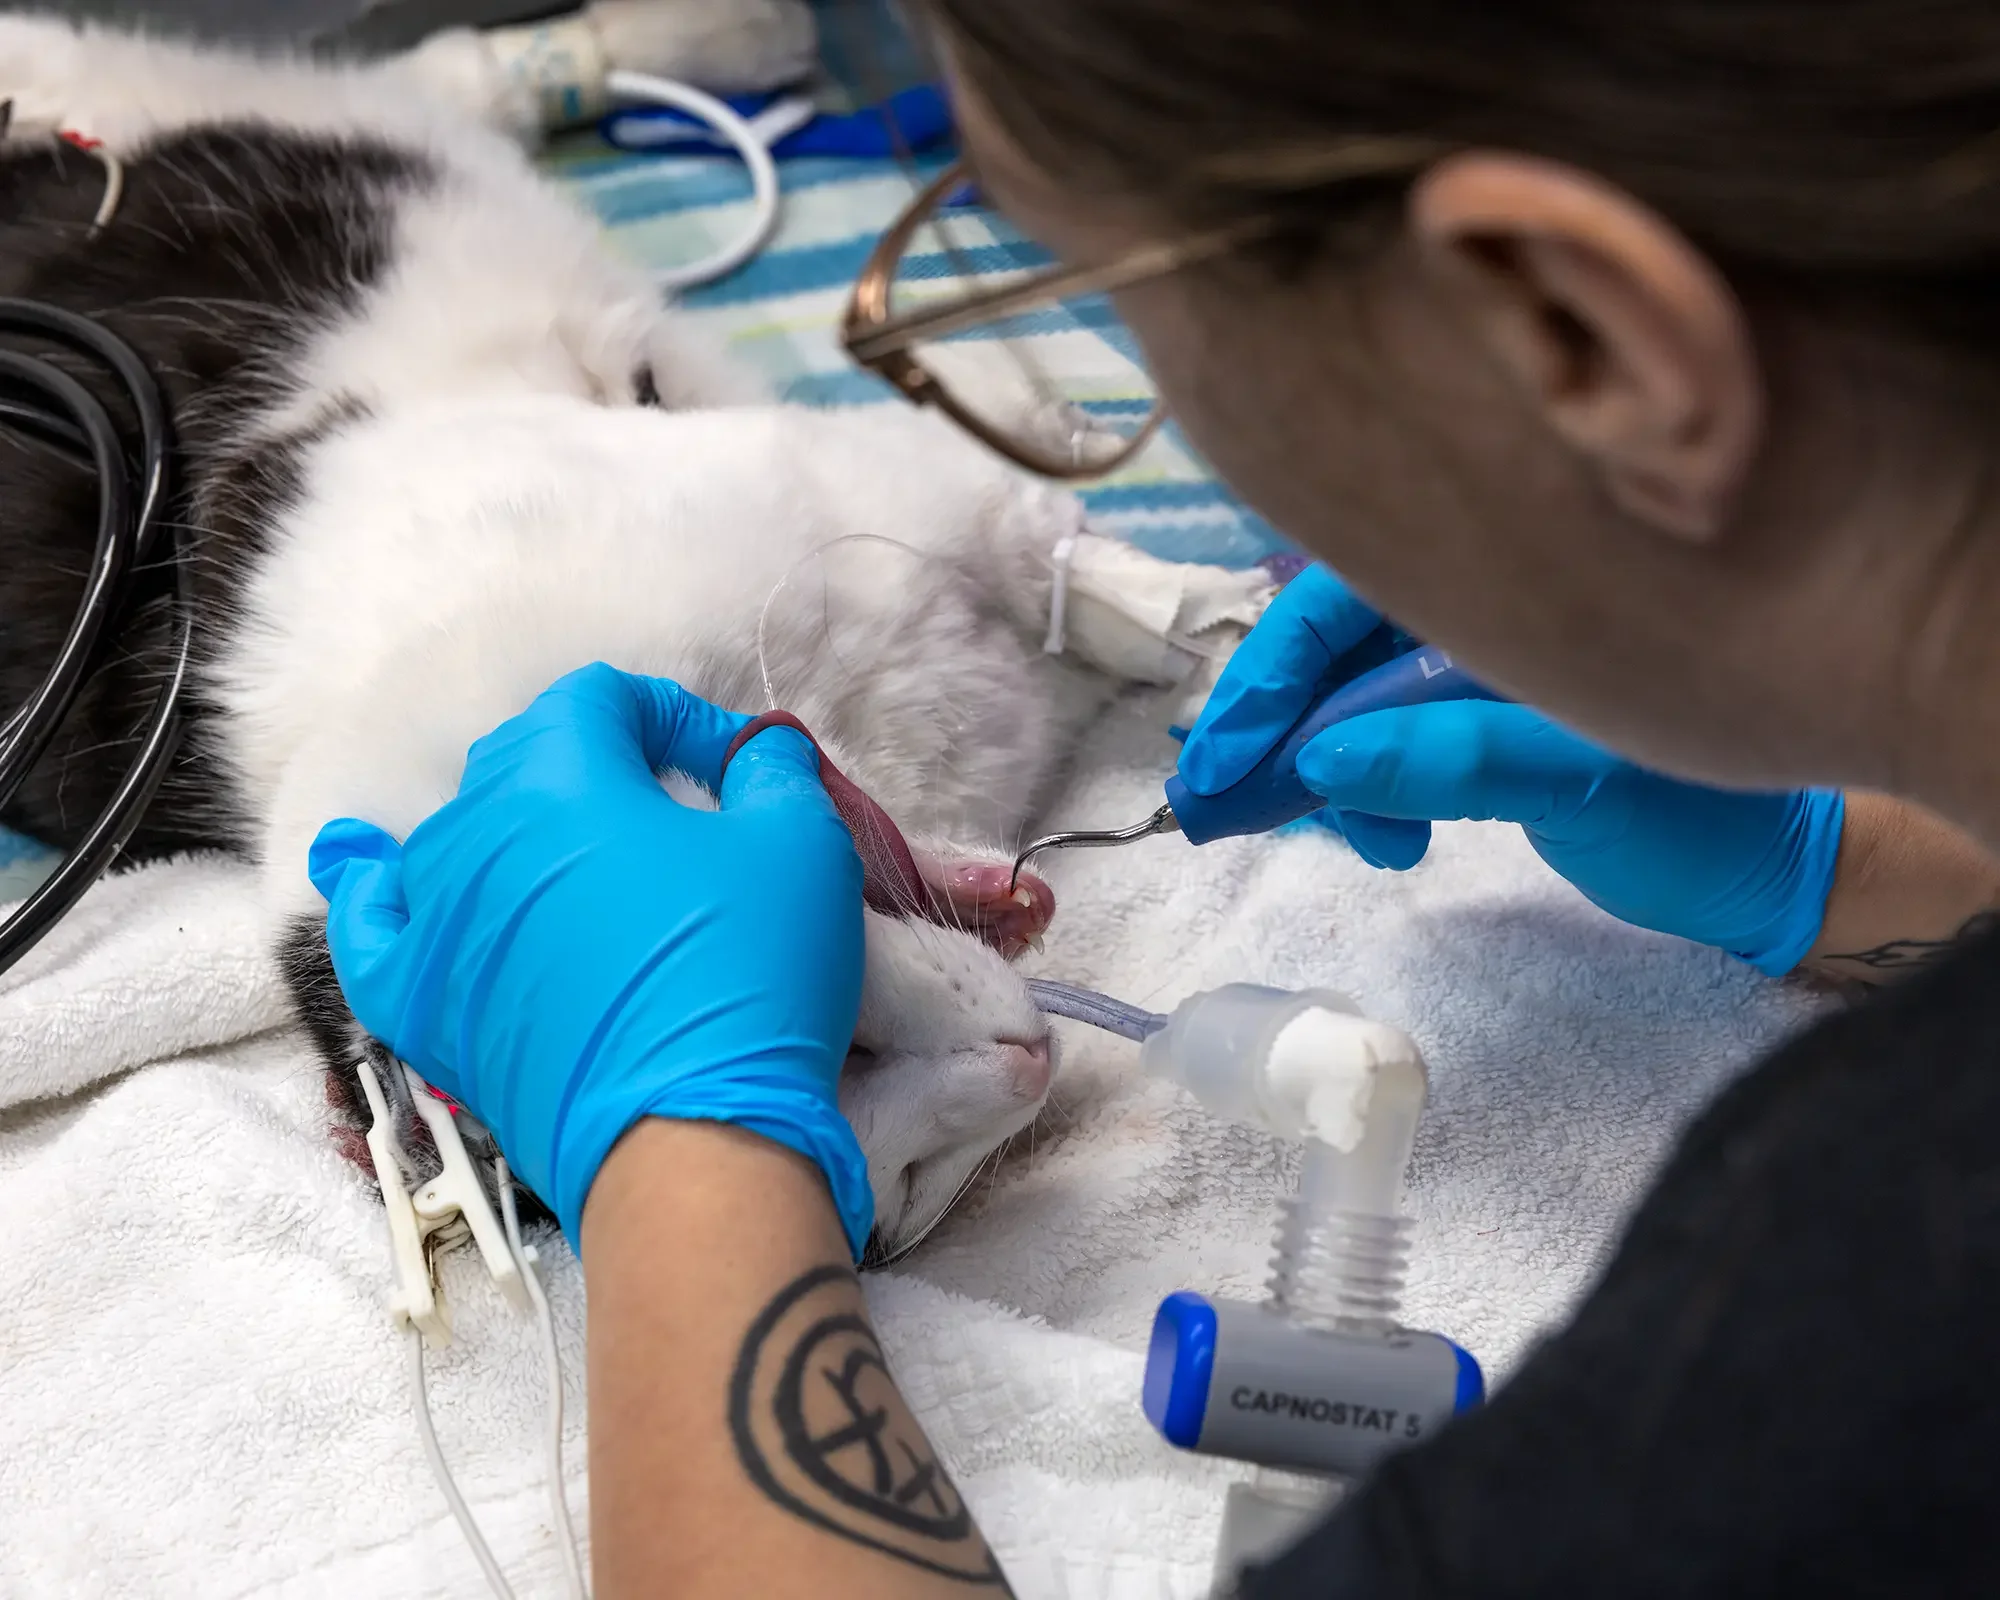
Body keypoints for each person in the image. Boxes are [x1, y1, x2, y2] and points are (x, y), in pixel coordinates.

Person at [306, 2, 2000, 1593]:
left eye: (1107, 301)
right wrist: (1857, 867)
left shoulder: (1861, 1316)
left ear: (1577, 335)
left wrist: (683, 1150)